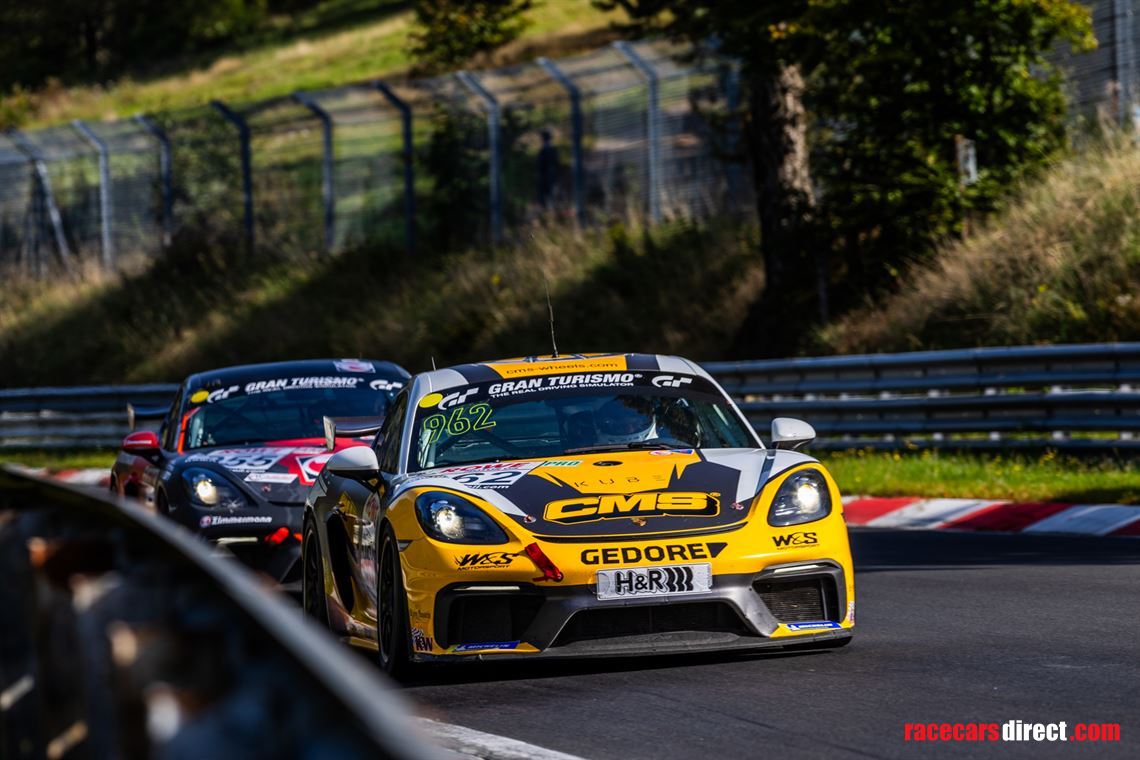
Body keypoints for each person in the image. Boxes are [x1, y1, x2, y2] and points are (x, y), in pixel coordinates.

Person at [537, 128, 560, 209]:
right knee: (552, 194)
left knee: (546, 194)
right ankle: (551, 208)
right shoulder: (554, 149)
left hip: (545, 175)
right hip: (553, 174)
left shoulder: (543, 150)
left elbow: (540, 165)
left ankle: (548, 209)